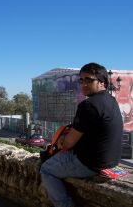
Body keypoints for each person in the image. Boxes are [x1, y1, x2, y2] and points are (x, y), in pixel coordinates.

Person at [40, 62, 123, 207]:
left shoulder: (88, 105)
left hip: (90, 164)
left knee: (46, 169)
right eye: (81, 80)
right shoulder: (111, 100)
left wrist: (62, 141)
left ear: (102, 82)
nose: (83, 84)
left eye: (89, 80)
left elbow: (68, 143)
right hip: (111, 161)